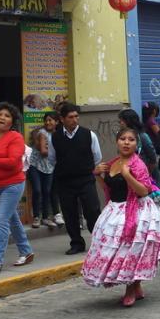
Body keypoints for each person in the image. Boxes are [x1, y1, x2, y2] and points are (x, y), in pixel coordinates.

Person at [81, 128, 160, 306]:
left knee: (130, 250)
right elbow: (109, 188)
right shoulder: (113, 163)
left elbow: (144, 191)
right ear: (117, 142)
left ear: (137, 144)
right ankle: (136, 286)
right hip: (115, 209)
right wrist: (97, 175)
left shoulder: (138, 165)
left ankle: (131, 288)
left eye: (131, 140)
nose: (126, 142)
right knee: (114, 249)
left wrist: (128, 175)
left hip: (136, 210)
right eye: (122, 139)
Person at [48, 103, 103, 255]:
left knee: (92, 210)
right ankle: (77, 243)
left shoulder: (88, 135)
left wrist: (86, 169)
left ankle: (99, 241)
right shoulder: (55, 137)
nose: (74, 120)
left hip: (86, 179)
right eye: (70, 117)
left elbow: (97, 157)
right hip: (65, 181)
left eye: (76, 116)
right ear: (62, 119)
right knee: (69, 212)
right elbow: (52, 159)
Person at [0, 103, 34, 275]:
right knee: (12, 219)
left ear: (12, 121)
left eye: (7, 115)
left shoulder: (15, 137)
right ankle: (26, 251)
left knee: (1, 219)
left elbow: (12, 162)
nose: (2, 117)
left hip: (12, 184)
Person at [27, 111, 65, 229]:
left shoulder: (58, 135)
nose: (48, 122)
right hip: (36, 165)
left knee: (47, 191)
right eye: (46, 120)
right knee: (38, 190)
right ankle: (37, 217)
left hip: (49, 167)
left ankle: (45, 217)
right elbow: (43, 152)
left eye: (50, 120)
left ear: (57, 122)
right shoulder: (42, 133)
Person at [118, 108, 157, 174]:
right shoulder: (121, 135)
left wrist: (148, 172)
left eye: (122, 121)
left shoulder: (142, 136)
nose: (120, 123)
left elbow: (152, 156)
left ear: (129, 121)